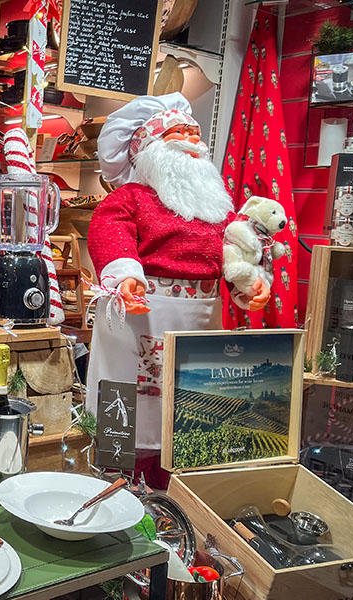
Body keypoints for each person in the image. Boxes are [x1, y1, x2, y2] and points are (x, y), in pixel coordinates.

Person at [85, 93, 269, 488]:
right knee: (128, 408)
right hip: (140, 316)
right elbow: (110, 232)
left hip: (200, 322)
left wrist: (247, 286)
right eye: (178, 133)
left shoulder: (219, 212)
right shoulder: (130, 198)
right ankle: (118, 489)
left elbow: (233, 255)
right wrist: (125, 274)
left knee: (189, 412)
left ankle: (179, 495)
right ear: (149, 150)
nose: (191, 140)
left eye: (195, 133)